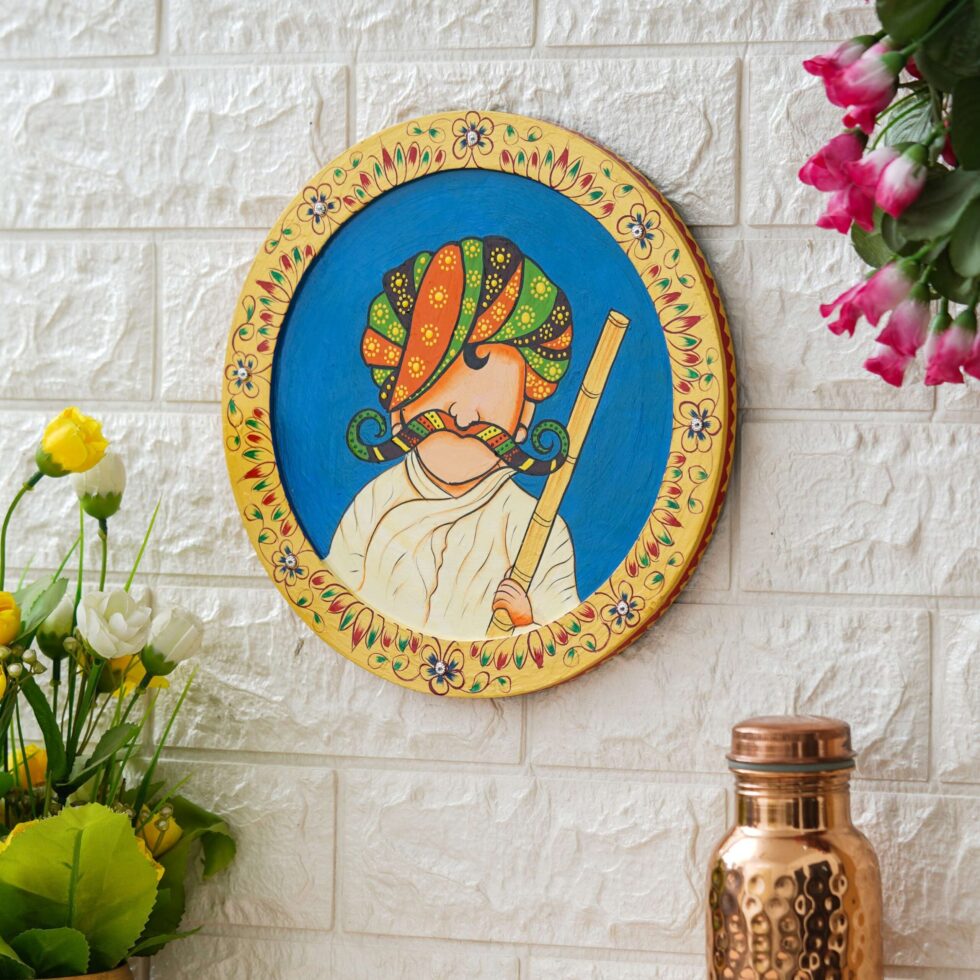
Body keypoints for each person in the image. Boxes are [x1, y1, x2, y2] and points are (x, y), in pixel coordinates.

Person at [328, 235, 579, 638]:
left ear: (524, 416)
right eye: (437, 389)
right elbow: (337, 610)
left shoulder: (536, 530)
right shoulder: (374, 505)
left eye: (490, 394)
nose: (463, 416)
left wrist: (526, 621)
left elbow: (565, 640)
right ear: (398, 406)